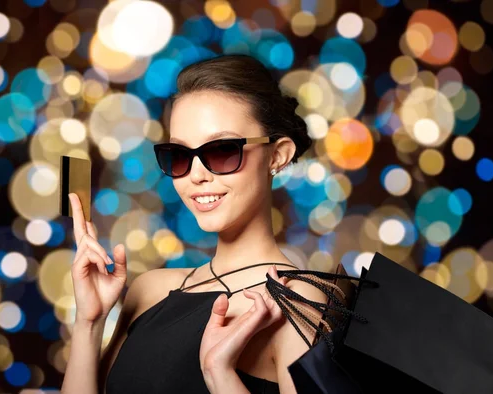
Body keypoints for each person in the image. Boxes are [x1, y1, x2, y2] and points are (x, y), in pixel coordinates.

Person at [61, 54, 325, 394]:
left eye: (223, 151)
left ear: (277, 155)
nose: (197, 175)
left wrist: (220, 373)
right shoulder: (149, 291)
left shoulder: (296, 304)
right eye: (181, 156)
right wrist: (89, 321)